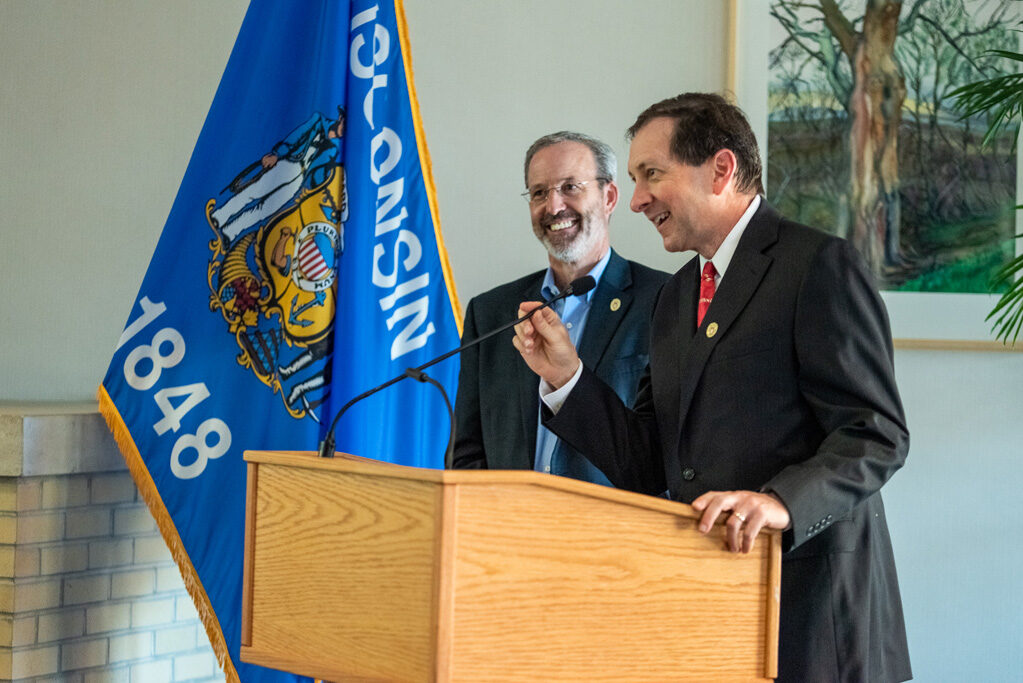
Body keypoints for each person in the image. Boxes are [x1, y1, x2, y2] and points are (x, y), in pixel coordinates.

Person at [513, 94, 911, 682]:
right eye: (634, 178)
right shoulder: (676, 297)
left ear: (721, 170)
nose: (640, 198)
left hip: (812, 622)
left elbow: (874, 436)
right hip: (708, 617)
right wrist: (567, 380)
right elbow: (652, 460)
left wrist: (780, 503)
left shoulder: (818, 265)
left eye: (652, 174)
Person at [452, 131, 669, 484]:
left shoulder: (665, 299)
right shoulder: (490, 313)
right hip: (506, 532)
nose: (553, 207)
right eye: (539, 193)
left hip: (612, 532)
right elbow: (468, 454)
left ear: (609, 196)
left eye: (570, 187)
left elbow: (667, 453)